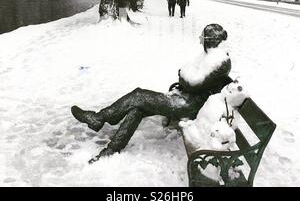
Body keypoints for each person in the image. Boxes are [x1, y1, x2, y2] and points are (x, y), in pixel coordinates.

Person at [71, 24, 232, 163]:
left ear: (210, 40)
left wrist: (184, 76)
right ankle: (111, 150)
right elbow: (185, 73)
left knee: (139, 95)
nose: (200, 40)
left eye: (202, 37)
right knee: (137, 108)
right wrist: (184, 76)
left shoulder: (219, 62)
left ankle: (98, 118)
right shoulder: (211, 57)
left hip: (188, 106)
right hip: (185, 100)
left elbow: (191, 83)